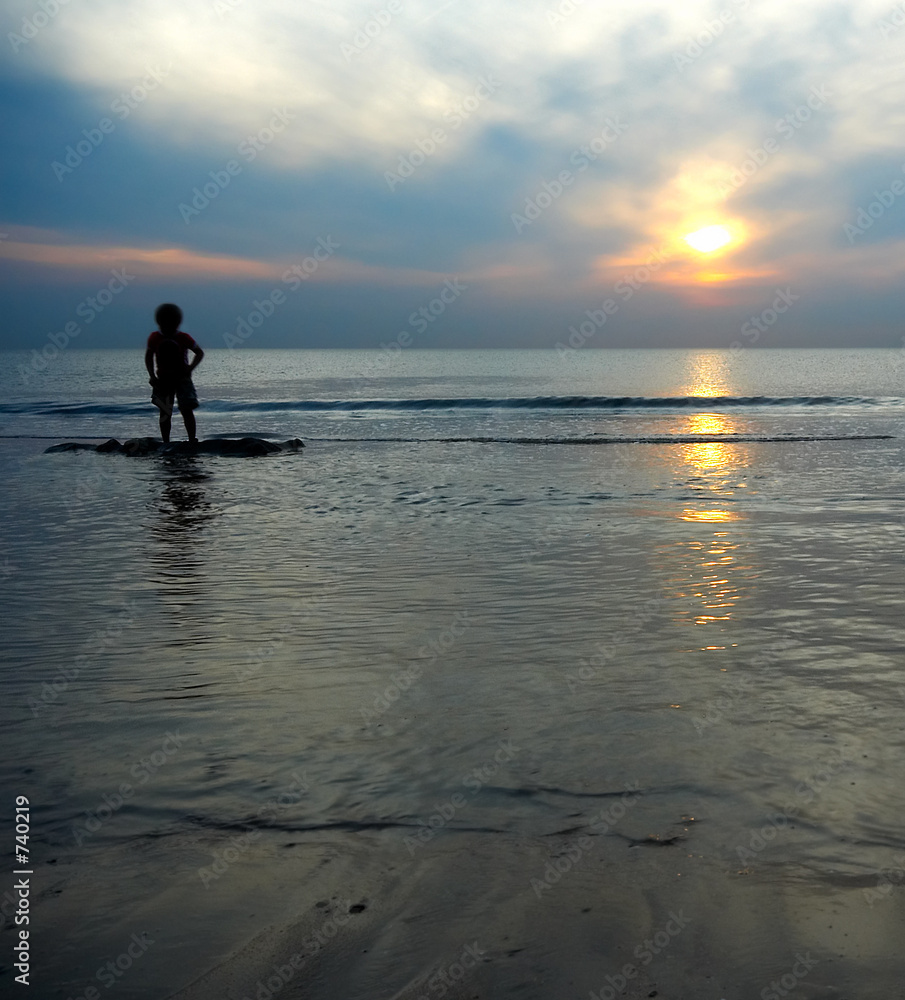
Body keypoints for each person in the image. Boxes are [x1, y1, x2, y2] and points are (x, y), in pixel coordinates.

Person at [145, 304, 204, 443]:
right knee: (165, 412)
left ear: (177, 323)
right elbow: (148, 356)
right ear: (159, 322)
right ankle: (166, 441)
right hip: (163, 379)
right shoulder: (154, 338)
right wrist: (152, 376)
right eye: (165, 323)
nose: (168, 326)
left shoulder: (184, 338)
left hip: (182, 379)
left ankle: (191, 439)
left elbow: (199, 353)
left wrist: (190, 368)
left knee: (186, 409)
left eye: (171, 323)